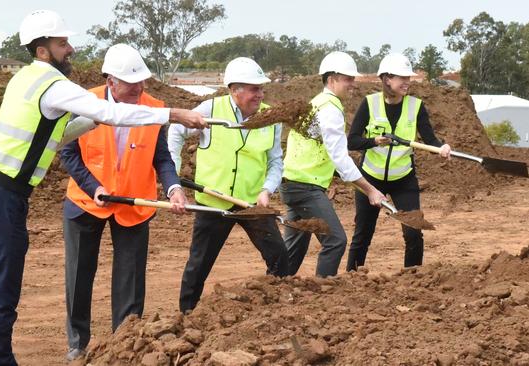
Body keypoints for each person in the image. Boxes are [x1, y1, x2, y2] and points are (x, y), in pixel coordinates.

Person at [0, 10, 206, 366]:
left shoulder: (25, 78)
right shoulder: (54, 84)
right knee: (2, 290)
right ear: (43, 50)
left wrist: (90, 120)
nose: (71, 49)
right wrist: (175, 114)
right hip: (5, 198)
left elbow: (55, 134)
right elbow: (112, 116)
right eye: (63, 43)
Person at [59, 44, 189, 361]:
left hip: (134, 202)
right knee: (79, 275)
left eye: (142, 82)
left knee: (130, 278)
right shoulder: (83, 103)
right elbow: (67, 152)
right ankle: (77, 341)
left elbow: (162, 158)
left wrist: (172, 187)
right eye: (132, 84)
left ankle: (124, 340)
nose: (139, 89)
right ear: (111, 81)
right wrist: (93, 187)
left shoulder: (154, 108)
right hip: (86, 201)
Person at [168, 57, 289, 313]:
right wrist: (173, 174)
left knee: (279, 257)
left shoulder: (271, 117)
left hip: (251, 202)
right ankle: (186, 314)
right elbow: (176, 131)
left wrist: (267, 190)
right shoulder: (211, 109)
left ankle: (276, 311)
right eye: (254, 88)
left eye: (261, 88)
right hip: (213, 202)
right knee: (199, 264)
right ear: (235, 90)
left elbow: (276, 161)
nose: (260, 94)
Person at [280, 51, 386, 278]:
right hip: (304, 187)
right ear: (332, 79)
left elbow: (329, 155)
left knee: (294, 248)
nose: (352, 84)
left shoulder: (317, 103)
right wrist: (371, 190)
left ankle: (274, 289)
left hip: (293, 183)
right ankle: (322, 293)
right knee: (335, 241)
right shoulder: (330, 107)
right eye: (348, 79)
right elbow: (339, 157)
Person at [345, 52, 451, 271]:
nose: (407, 82)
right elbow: (352, 141)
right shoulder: (369, 104)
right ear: (387, 79)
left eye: (408, 78)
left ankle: (413, 279)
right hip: (370, 179)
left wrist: (441, 147)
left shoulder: (416, 106)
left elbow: (429, 138)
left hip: (403, 179)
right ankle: (352, 277)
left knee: (413, 231)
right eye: (402, 77)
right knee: (363, 233)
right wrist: (374, 141)